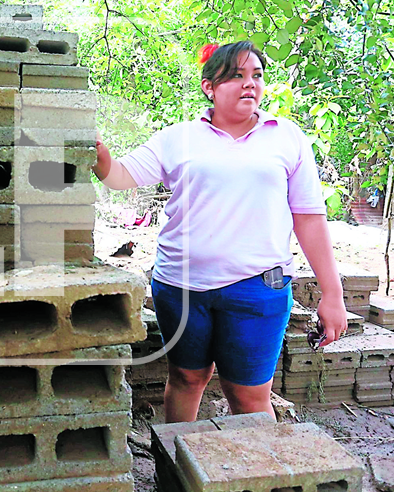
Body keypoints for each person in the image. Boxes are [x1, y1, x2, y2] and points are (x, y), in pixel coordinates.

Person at [93, 41, 347, 422]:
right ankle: (176, 472)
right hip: (181, 287)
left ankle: (251, 479)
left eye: (256, 76)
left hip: (258, 288)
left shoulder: (286, 136)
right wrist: (99, 157)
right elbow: (120, 176)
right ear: (209, 87)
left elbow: (309, 217)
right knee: (185, 378)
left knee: (247, 396)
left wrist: (333, 295)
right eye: (236, 76)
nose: (250, 84)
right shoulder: (177, 138)